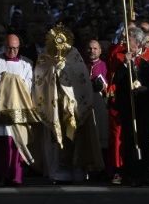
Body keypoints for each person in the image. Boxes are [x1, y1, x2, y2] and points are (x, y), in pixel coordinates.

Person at [32, 25, 103, 183]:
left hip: (73, 105)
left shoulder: (74, 54)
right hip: (53, 104)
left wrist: (65, 70)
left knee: (76, 137)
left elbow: (81, 76)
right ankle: (57, 170)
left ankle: (77, 168)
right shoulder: (45, 55)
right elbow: (39, 78)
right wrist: (53, 70)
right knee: (55, 138)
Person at [0, 34, 34, 186]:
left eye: (16, 48)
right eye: (9, 48)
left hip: (16, 111)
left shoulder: (26, 64)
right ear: (4, 46)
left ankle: (14, 176)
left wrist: (11, 81)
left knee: (14, 144)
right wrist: (4, 78)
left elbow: (28, 87)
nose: (12, 51)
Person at [108, 27, 149, 187]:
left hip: (146, 107)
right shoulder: (121, 58)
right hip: (129, 107)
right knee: (130, 140)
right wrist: (125, 64)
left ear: (137, 42)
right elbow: (116, 80)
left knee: (146, 140)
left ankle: (146, 173)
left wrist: (146, 89)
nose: (125, 43)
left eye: (129, 40)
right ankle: (131, 174)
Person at [85, 39, 109, 175]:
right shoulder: (82, 65)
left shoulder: (104, 65)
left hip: (100, 105)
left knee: (101, 136)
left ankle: (102, 169)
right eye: (89, 48)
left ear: (100, 50)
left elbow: (108, 86)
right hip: (86, 105)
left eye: (95, 48)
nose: (92, 51)